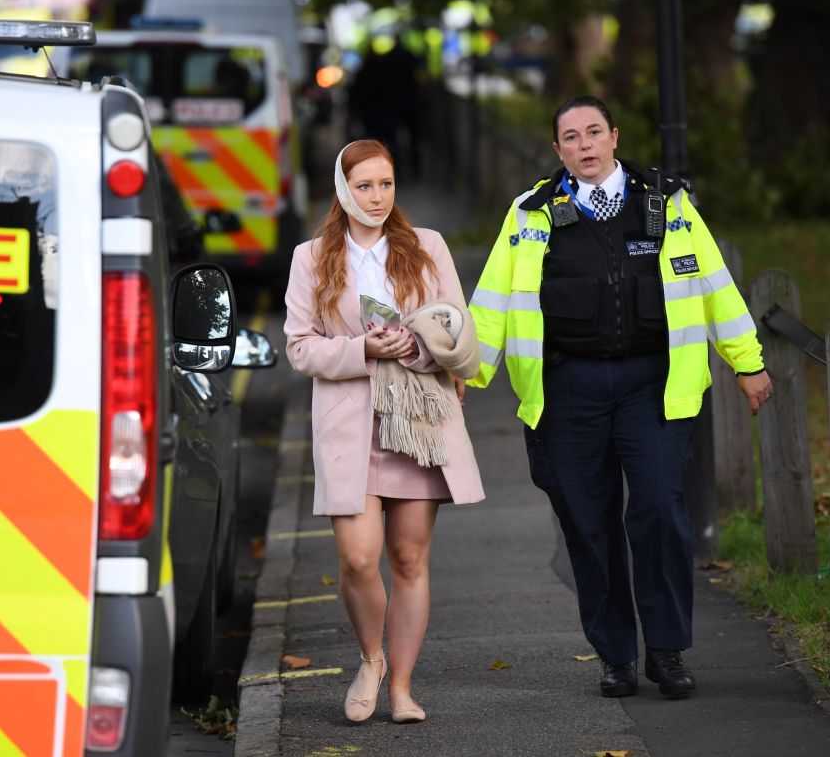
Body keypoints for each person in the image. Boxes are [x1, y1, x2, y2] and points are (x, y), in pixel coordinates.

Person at [467, 96, 772, 699]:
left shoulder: (668, 203)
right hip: (567, 388)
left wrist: (748, 361)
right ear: (558, 150)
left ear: (614, 137)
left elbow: (715, 284)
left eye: (594, 132)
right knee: (588, 523)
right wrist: (467, 370)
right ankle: (616, 655)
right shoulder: (530, 213)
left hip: (651, 385)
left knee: (659, 509)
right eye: (570, 137)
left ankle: (666, 650)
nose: (584, 145)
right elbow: (493, 299)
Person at [284, 139, 484, 723]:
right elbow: (299, 348)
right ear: (344, 190)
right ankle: (369, 658)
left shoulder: (427, 247)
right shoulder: (311, 257)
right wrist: (360, 347)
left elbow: (457, 328)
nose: (377, 197)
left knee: (409, 558)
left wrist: (419, 349)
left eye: (386, 185)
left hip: (420, 420)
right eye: (365, 186)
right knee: (357, 557)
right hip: (352, 422)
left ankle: (400, 687)